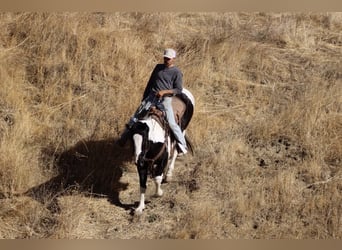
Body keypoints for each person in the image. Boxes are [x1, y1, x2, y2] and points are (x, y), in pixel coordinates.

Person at [119, 48, 188, 155]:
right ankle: (123, 138)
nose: (166, 60)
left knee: (171, 122)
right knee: (135, 117)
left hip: (165, 99)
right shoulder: (158, 67)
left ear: (174, 59)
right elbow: (150, 82)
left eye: (169, 59)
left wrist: (164, 92)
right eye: (165, 58)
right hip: (151, 97)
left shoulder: (177, 72)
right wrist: (144, 98)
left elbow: (178, 89)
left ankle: (182, 145)